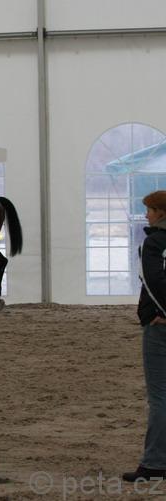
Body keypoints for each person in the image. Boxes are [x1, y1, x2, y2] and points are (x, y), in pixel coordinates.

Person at [124, 190, 166, 482]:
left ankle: (154, 462)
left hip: (159, 323)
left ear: (161, 213)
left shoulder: (153, 242)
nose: (146, 214)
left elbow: (152, 281)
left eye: (150, 210)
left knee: (160, 396)